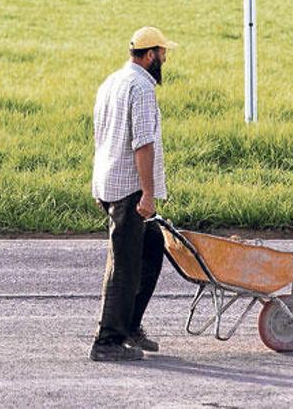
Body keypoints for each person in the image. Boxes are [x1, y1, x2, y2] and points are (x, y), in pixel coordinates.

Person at [89, 26, 177, 362]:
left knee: (152, 247)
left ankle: (129, 326)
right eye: (163, 53)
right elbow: (143, 144)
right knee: (125, 264)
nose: (166, 58)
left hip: (108, 181)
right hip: (129, 188)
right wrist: (148, 195)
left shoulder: (112, 81)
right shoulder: (141, 88)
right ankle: (107, 341)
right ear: (151, 54)